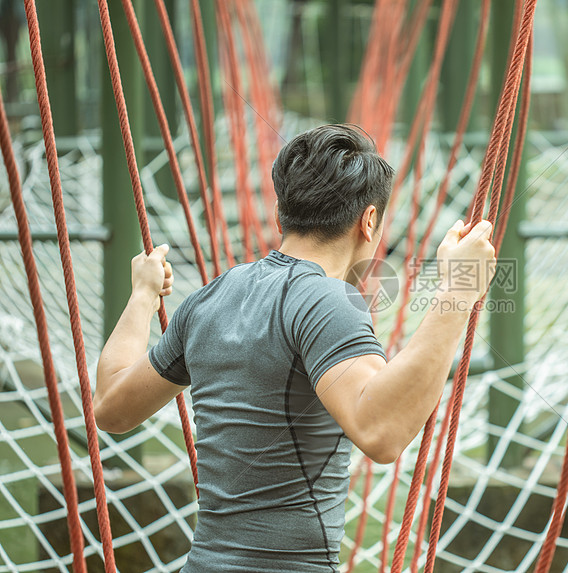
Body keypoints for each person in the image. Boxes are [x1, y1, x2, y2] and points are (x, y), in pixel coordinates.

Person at [94, 124, 497, 572]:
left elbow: (112, 408)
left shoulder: (210, 298)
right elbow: (381, 432)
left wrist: (142, 297)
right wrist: (459, 289)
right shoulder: (327, 301)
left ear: (279, 214)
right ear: (369, 221)